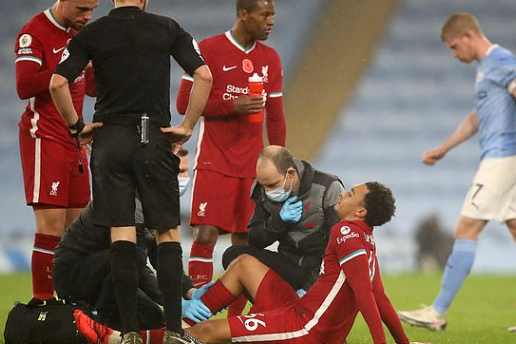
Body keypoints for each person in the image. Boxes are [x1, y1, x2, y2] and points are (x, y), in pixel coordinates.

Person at [75, 182, 430, 344]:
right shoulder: (365, 239)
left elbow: (367, 297)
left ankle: (119, 338)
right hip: (303, 311)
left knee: (208, 334)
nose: (343, 194)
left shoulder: (347, 234)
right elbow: (380, 296)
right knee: (244, 263)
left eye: (351, 194)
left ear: (361, 210)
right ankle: (185, 315)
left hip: (307, 330)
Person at [49, 0, 213, 343]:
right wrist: (187, 126)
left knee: (121, 237)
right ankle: (174, 332)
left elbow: (56, 84)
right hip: (153, 137)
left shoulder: (92, 32)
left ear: (112, 0)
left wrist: (77, 127)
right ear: (145, 0)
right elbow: (204, 75)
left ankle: (130, 335)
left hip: (110, 141)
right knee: (167, 234)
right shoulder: (167, 27)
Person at [398, 12, 516, 331]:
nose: (454, 55)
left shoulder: (500, 59)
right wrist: (445, 147)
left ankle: (436, 312)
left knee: (465, 230)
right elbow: (477, 118)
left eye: (453, 47)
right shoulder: (486, 70)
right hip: (505, 159)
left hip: (502, 160)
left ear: (468, 37)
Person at [176, 0, 286, 293]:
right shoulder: (208, 50)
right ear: (244, 14)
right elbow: (183, 103)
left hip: (253, 167)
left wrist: (281, 165)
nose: (271, 21)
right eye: (265, 15)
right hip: (214, 161)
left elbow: (275, 117)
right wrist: (231, 105)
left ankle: (236, 322)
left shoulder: (271, 58)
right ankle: (195, 309)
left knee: (246, 240)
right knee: (205, 233)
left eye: (272, 15)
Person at [15, 0, 98, 301]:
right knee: (50, 228)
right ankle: (43, 306)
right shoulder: (34, 32)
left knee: (76, 233)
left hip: (75, 140)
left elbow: (90, 88)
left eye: (92, 9)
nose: (87, 17)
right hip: (44, 138)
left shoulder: (82, 35)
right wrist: (70, 65)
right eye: (81, 9)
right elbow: (24, 86)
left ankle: (74, 305)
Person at [222, 145, 344, 304]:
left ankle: (288, 310)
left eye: (272, 185)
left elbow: (336, 246)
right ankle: (274, 310)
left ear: (291, 174)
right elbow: (255, 240)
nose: (267, 191)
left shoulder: (327, 187)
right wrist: (278, 221)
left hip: (320, 268)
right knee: (233, 256)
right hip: (289, 265)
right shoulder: (262, 189)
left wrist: (310, 287)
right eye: (263, 185)